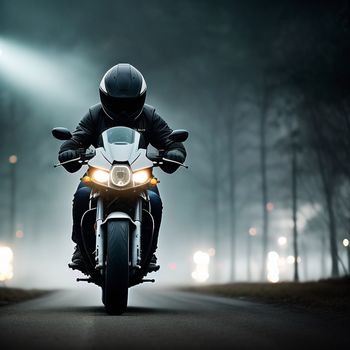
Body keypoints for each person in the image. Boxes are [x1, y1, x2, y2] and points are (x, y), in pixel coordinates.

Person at [58, 63, 186, 273]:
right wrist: (70, 149)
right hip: (98, 174)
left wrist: (174, 152)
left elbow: (172, 141)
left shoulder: (150, 116)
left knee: (154, 201)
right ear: (105, 98)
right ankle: (80, 248)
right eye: (116, 104)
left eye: (130, 104)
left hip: (139, 177)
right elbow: (75, 138)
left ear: (141, 99)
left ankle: (149, 249)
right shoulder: (95, 115)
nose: (123, 110)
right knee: (81, 197)